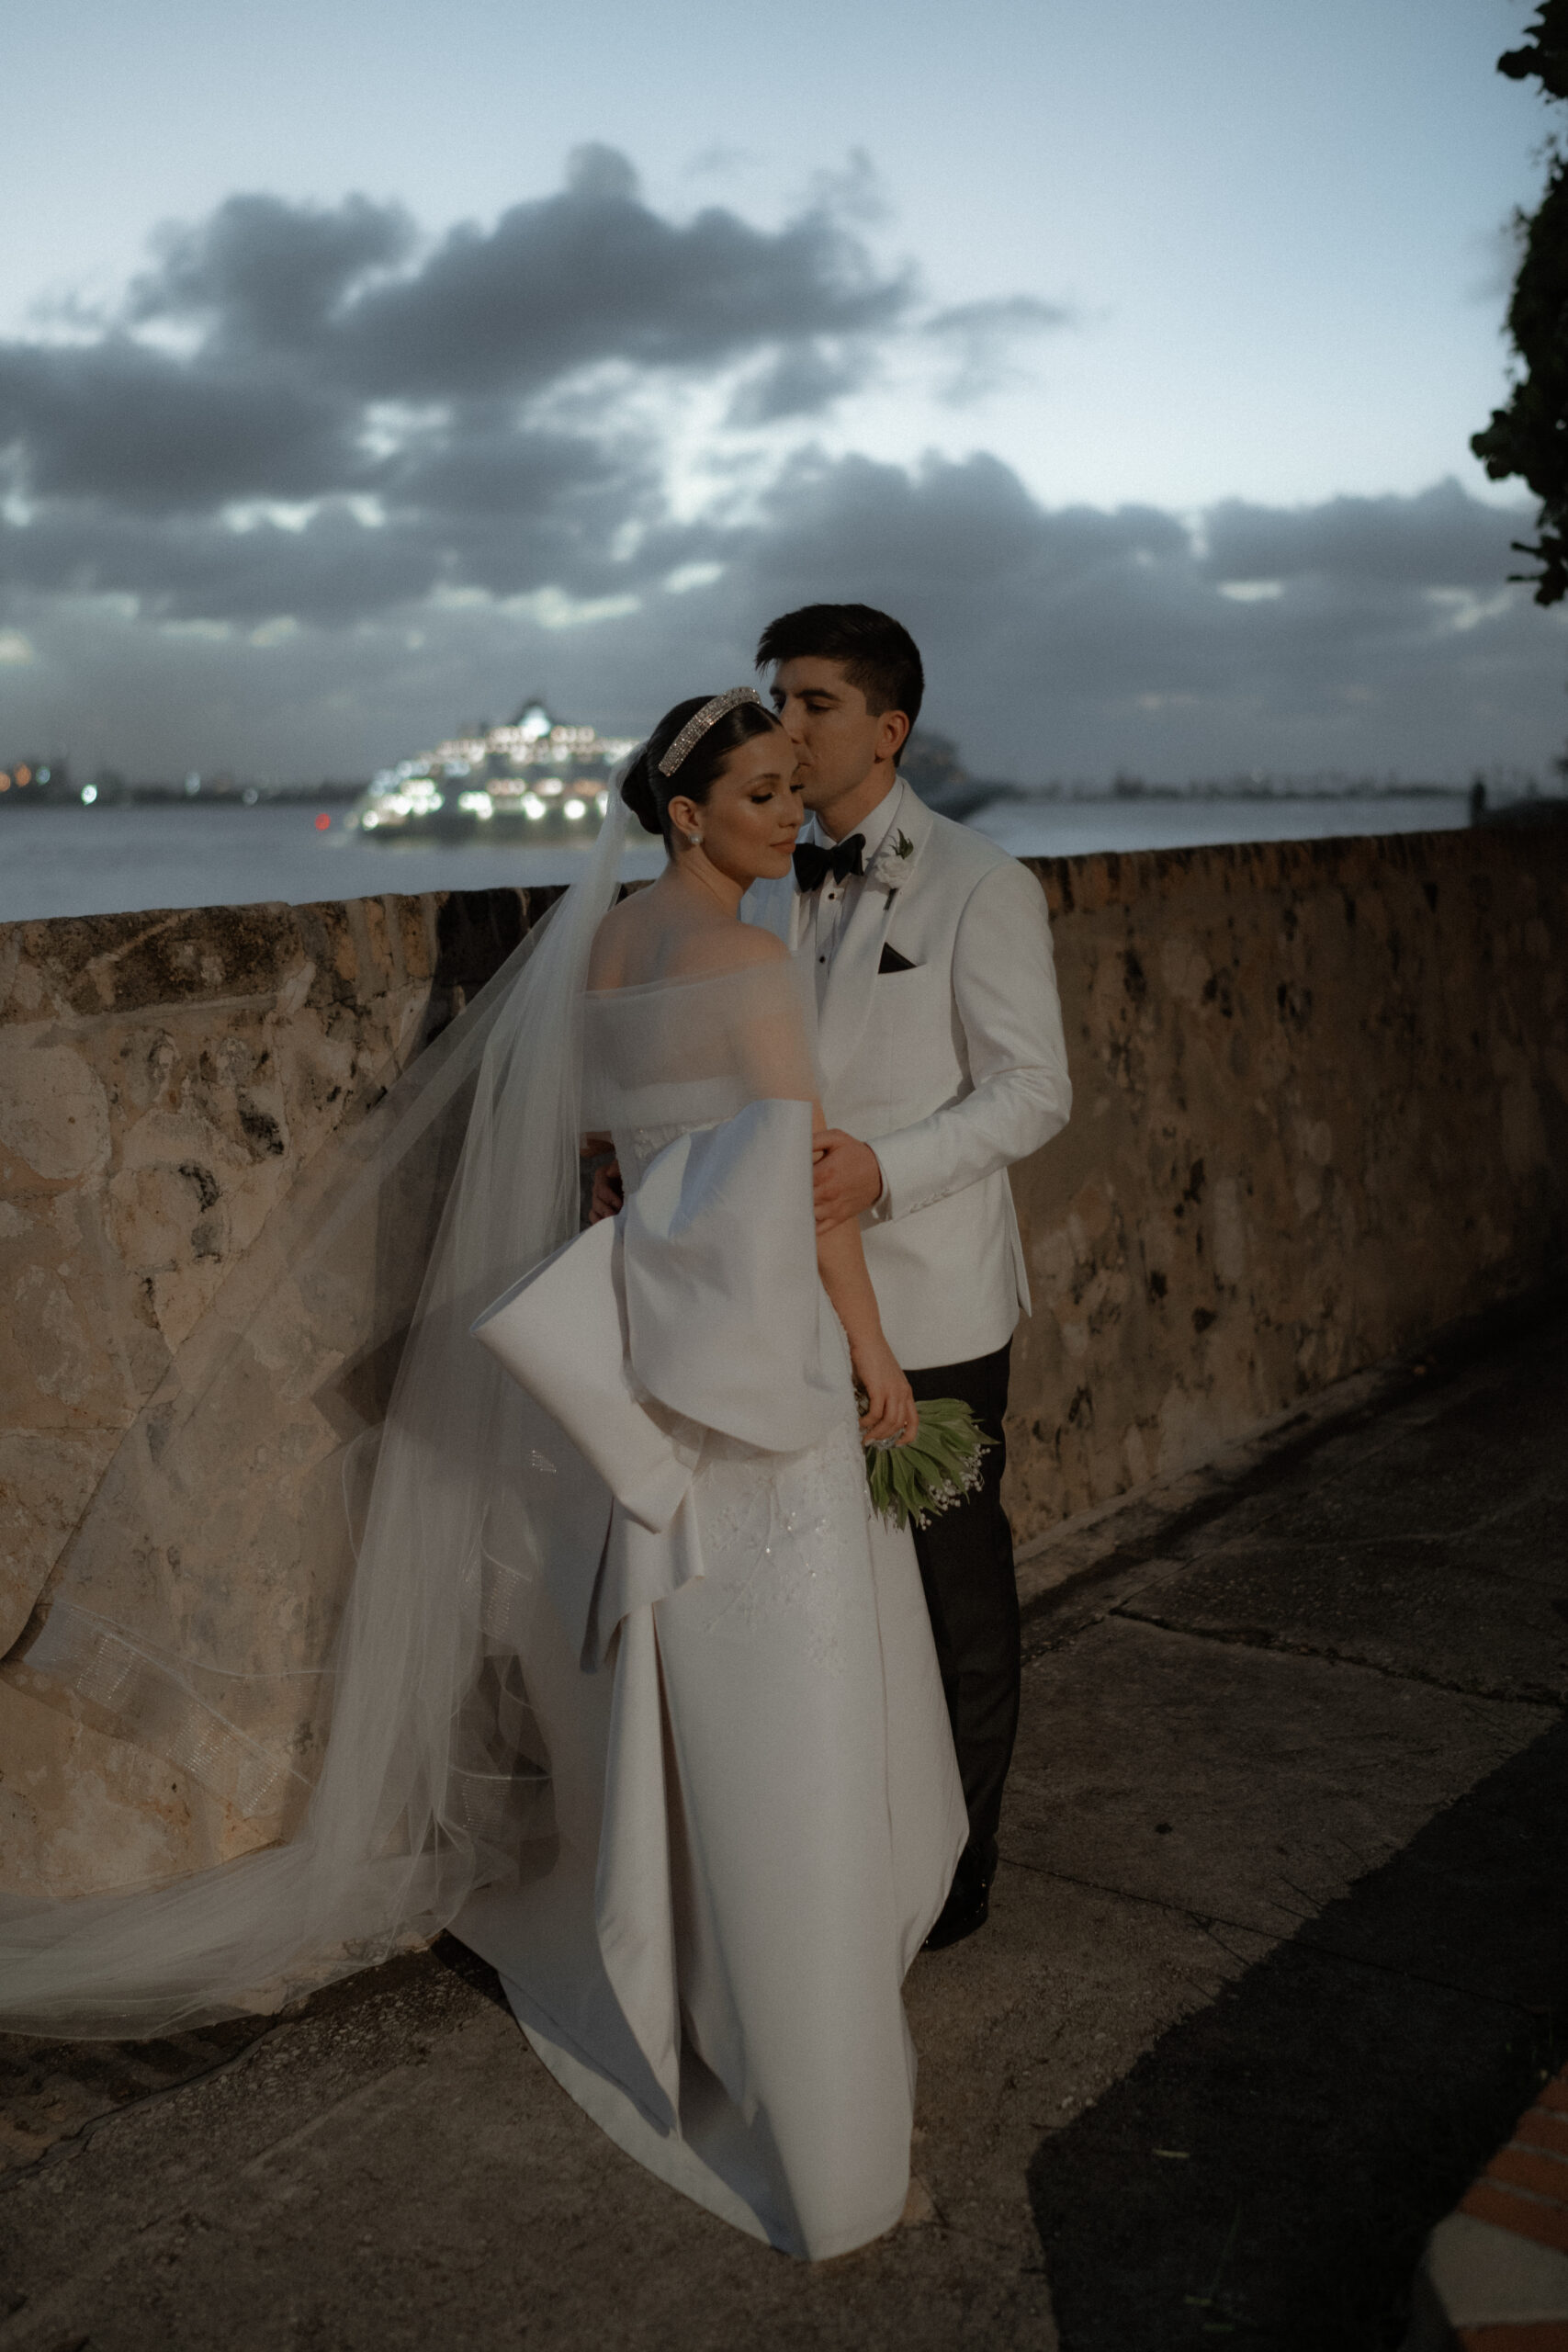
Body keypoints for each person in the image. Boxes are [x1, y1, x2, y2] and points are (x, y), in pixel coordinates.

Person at [0, 689, 965, 2264]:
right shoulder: (747, 963)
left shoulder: (596, 958)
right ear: (687, 814)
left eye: (797, 789)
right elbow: (808, 1196)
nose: (790, 816)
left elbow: (602, 1167)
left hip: (639, 1372)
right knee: (784, 1698)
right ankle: (800, 2051)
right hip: (754, 1377)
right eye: (762, 793)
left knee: (682, 1693)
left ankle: (685, 1962)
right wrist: (876, 1355)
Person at [749, 605, 1071, 1949]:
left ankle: (960, 1871)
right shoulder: (761, 880)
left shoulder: (982, 884)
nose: (786, 725)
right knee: (827, 1598)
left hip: (930, 1305)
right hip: (789, 1303)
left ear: (888, 729)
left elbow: (1034, 1091)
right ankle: (859, 1843)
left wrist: (886, 1169)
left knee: (953, 1597)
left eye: (814, 702)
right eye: (778, 699)